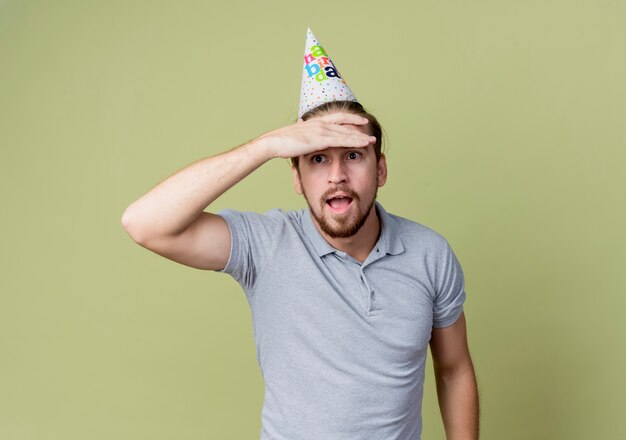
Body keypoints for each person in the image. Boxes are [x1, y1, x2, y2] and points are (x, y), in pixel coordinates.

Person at [121, 28, 479, 440]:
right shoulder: (265, 245)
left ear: (380, 168)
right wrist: (269, 144)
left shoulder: (429, 254)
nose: (337, 176)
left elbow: (454, 370)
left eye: (353, 155)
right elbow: (144, 223)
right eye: (317, 158)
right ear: (297, 177)